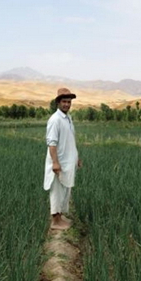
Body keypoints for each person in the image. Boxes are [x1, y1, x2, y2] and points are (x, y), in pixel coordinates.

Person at [43, 87, 81, 230]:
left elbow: (70, 140)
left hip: (67, 162)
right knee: (56, 190)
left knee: (65, 190)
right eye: (64, 101)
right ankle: (55, 221)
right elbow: (51, 143)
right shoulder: (55, 120)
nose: (67, 104)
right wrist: (55, 162)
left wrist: (76, 158)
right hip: (59, 163)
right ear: (58, 102)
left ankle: (60, 216)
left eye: (69, 102)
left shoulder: (68, 118)